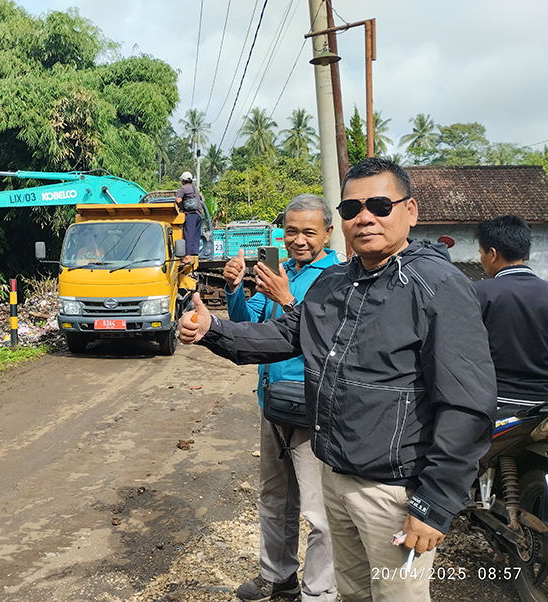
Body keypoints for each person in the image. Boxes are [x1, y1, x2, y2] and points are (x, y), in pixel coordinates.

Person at [180, 157, 497, 602]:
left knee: (395, 597)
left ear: (411, 211)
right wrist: (212, 328)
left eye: (380, 205)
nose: (364, 217)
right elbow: (285, 335)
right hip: (337, 474)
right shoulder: (335, 285)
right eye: (352, 209)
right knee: (352, 594)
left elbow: (466, 404)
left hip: (394, 491)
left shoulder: (437, 286)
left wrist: (436, 503)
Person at [225, 194, 339, 602]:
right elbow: (246, 325)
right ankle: (279, 577)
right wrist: (235, 288)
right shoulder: (278, 270)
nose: (299, 240)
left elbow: (326, 339)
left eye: (309, 232)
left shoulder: (338, 277)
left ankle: (319, 591)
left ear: (328, 232)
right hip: (272, 403)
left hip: (312, 410)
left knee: (319, 513)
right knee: (275, 499)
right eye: (291, 231)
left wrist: (286, 299)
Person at [475, 214, 548, 412]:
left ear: (492, 254)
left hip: (493, 402)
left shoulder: (478, 293)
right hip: (542, 407)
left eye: (481, 253)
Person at [175, 171, 203, 265]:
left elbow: (178, 200)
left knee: (188, 234)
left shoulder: (182, 189)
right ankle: (194, 255)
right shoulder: (195, 188)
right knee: (195, 235)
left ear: (182, 180)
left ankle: (187, 257)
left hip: (191, 214)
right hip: (199, 214)